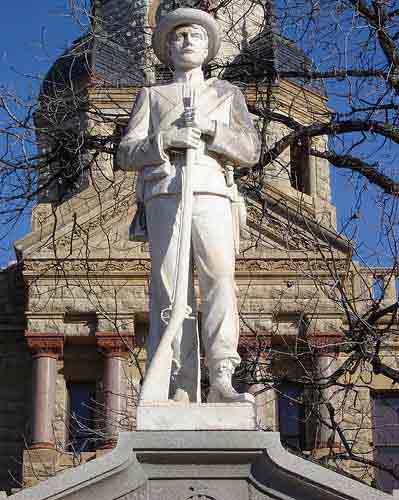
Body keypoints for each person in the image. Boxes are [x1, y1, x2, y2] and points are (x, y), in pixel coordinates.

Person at [118, 8, 260, 403]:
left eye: (195, 35)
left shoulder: (226, 94)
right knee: (169, 287)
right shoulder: (152, 95)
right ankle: (180, 384)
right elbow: (127, 153)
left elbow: (250, 149)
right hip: (166, 192)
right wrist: (163, 141)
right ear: (167, 48)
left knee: (218, 281)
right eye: (179, 36)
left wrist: (213, 131)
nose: (186, 41)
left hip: (212, 190)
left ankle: (222, 377)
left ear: (208, 47)